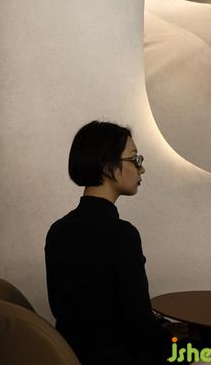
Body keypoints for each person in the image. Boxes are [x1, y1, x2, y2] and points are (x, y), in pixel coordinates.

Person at [44, 120, 176, 365]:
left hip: (75, 354)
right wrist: (176, 339)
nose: (142, 169)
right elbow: (141, 329)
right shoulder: (122, 235)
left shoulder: (57, 230)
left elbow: (60, 309)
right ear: (107, 167)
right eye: (135, 159)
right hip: (122, 357)